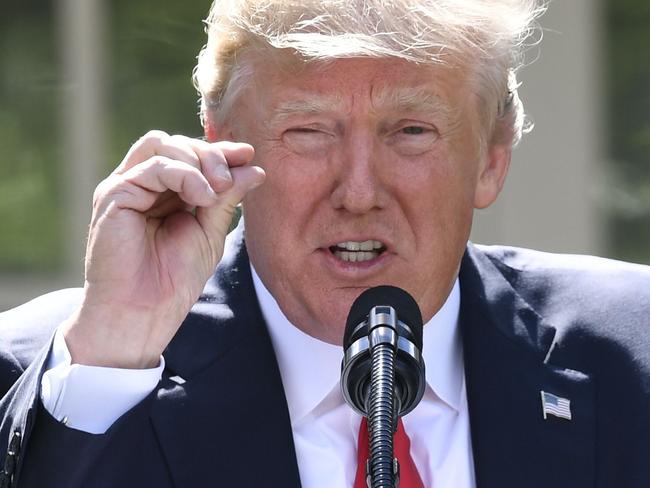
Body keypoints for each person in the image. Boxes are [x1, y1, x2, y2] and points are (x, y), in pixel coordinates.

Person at [1, 0, 649, 486]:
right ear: (220, 142)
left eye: (412, 131)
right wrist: (112, 354)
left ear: (491, 160)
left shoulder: (633, 354)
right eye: (309, 131)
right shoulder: (62, 376)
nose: (359, 191)